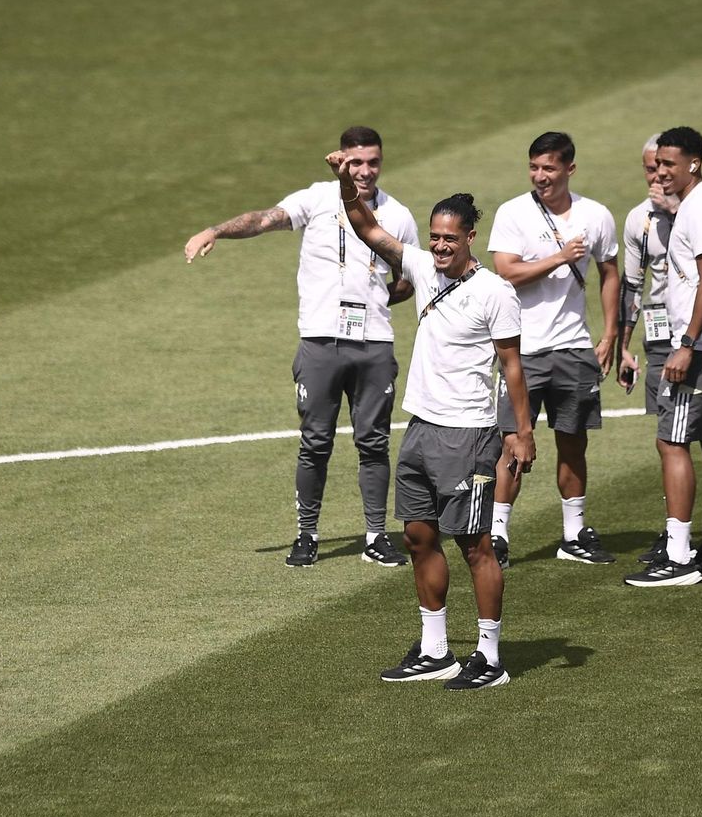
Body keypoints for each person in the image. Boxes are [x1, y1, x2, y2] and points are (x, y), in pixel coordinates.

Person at [326, 150, 536, 691]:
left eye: (450, 238)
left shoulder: (495, 292)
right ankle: (436, 648)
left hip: (467, 434)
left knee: (474, 545)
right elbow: (367, 226)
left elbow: (512, 366)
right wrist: (348, 185)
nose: (440, 246)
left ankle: (489, 657)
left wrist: (521, 432)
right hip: (419, 429)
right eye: (434, 236)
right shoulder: (420, 266)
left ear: (469, 237)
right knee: (419, 537)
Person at [184, 127, 420, 569]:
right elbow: (264, 219)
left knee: (374, 443)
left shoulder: (399, 215)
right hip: (320, 341)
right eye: (356, 162)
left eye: (373, 162)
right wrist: (214, 230)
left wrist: (386, 298)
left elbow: (409, 277)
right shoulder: (315, 199)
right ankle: (307, 535)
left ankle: (374, 535)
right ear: (342, 160)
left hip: (373, 344)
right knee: (315, 443)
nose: (365, 171)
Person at [615, 135, 702, 569]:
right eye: (656, 165)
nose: (661, 172)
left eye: (670, 164)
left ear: (694, 163)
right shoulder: (700, 203)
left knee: (672, 441)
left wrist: (687, 345)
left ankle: (678, 555)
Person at [486, 131, 619, 569]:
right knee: (512, 445)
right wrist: (559, 258)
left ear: (569, 169)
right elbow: (504, 271)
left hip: (574, 347)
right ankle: (498, 536)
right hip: (521, 350)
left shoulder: (596, 214)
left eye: (549, 168)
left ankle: (574, 532)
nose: (540, 176)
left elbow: (609, 272)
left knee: (573, 442)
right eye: (534, 168)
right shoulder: (513, 213)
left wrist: (610, 335)